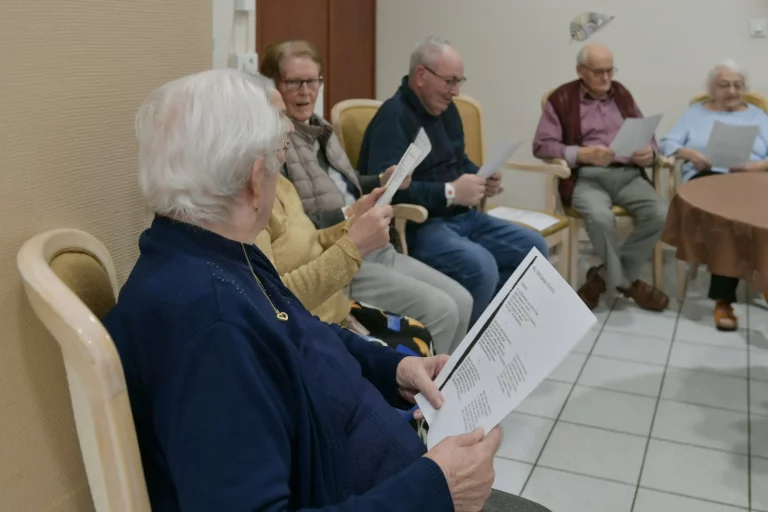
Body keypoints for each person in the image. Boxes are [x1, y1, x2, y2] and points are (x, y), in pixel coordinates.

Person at [103, 68, 551, 512]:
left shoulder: (214, 253)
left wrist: (394, 369)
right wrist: (437, 488)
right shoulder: (210, 328)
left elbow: (300, 332)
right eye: (280, 157)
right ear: (254, 179)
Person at [259, 40, 472, 354]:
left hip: (374, 242)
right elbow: (298, 229)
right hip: (340, 252)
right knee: (443, 310)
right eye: (294, 82)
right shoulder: (276, 148)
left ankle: (450, 379)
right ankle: (427, 382)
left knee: (463, 300)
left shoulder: (321, 129)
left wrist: (380, 180)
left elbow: (341, 184)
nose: (306, 92)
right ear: (274, 86)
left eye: (313, 81)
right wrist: (350, 214)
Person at [359, 36, 548, 326]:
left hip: (462, 217)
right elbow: (387, 193)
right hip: (421, 226)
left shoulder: (446, 110)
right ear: (420, 75)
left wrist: (482, 176)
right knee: (481, 266)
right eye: (450, 82)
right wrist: (449, 193)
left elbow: (458, 162)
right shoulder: (392, 118)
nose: (456, 92)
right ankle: (465, 346)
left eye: (459, 82)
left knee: (534, 249)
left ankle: (491, 331)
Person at [255, 87, 434, 357]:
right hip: (310, 330)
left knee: (423, 333)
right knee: (424, 335)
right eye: (279, 116)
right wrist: (354, 242)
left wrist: (354, 223)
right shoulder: (249, 206)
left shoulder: (281, 179)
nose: (290, 126)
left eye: (313, 81)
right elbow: (272, 302)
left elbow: (312, 238)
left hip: (335, 303)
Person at [533, 42, 669, 311]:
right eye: (598, 72)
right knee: (600, 217)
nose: (606, 78)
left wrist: (650, 153)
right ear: (580, 71)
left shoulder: (621, 94)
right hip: (588, 177)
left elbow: (648, 136)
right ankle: (630, 284)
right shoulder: (562, 98)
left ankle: (601, 279)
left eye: (610, 70)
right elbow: (542, 146)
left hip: (629, 174)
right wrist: (581, 153)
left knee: (661, 214)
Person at [660, 60, 768, 330]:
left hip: (748, 179)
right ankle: (724, 299)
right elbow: (668, 143)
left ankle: (762, 278)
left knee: (751, 212)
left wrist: (755, 166)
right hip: (706, 179)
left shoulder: (758, 115)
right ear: (711, 89)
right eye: (724, 85)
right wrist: (690, 154)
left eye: (737, 85)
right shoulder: (694, 114)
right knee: (728, 217)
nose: (732, 91)